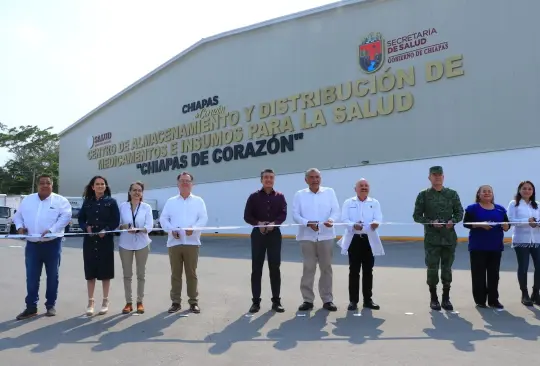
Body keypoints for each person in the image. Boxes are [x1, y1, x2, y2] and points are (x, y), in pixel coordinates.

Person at [13, 174, 72, 320]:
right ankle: (31, 307)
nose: (45, 185)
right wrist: (20, 227)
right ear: (37, 185)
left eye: (48, 183)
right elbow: (17, 216)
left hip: (52, 244)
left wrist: (52, 230)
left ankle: (50, 305)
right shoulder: (28, 200)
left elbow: (65, 217)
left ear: (52, 185)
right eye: (42, 183)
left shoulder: (60, 201)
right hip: (32, 245)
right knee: (32, 277)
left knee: (53, 276)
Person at [412, 166, 464, 311]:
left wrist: (453, 221)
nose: (437, 177)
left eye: (439, 175)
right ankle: (433, 298)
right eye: (434, 175)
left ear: (443, 177)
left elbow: (460, 212)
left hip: (449, 238)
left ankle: (446, 298)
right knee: (432, 268)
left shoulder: (452, 194)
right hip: (432, 239)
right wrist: (431, 222)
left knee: (447, 268)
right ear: (429, 177)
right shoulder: (423, 195)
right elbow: (416, 216)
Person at [292, 168, 340, 312]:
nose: (315, 180)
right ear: (306, 180)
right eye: (311, 177)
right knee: (309, 268)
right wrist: (307, 223)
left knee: (326, 268)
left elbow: (336, 210)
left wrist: (331, 220)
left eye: (317, 177)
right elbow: (295, 214)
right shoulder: (299, 195)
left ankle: (327, 300)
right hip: (306, 237)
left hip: (326, 236)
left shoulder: (329, 192)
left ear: (321, 178)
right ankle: (307, 300)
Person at [159, 172, 208, 314]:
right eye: (182, 181)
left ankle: (193, 302)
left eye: (187, 181)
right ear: (178, 184)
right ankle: (175, 302)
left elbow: (203, 218)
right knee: (176, 274)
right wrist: (170, 229)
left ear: (192, 184)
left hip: (192, 243)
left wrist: (194, 229)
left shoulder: (199, 201)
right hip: (174, 243)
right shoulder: (171, 201)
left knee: (191, 274)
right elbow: (164, 219)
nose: (185, 183)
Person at [243, 168, 287, 313]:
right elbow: (247, 216)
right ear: (261, 180)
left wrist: (274, 223)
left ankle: (276, 301)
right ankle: (255, 302)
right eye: (266, 177)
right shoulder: (253, 197)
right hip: (258, 235)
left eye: (271, 177)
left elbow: (283, 214)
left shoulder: (280, 196)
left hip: (274, 235)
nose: (268, 180)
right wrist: (258, 224)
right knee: (257, 268)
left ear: (274, 180)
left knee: (275, 267)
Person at [338, 178, 384, 311]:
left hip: (369, 239)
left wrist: (376, 223)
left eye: (366, 186)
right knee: (354, 271)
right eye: (361, 186)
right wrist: (353, 225)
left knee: (368, 271)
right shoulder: (349, 202)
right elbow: (344, 219)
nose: (364, 188)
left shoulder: (374, 202)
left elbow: (379, 217)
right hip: (354, 239)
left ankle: (368, 300)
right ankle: (353, 301)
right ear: (355, 189)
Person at [78, 175, 120, 316]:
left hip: (105, 241)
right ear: (92, 187)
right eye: (98, 184)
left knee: (105, 272)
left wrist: (106, 230)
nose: (100, 186)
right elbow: (81, 219)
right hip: (90, 241)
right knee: (90, 273)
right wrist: (86, 228)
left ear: (106, 186)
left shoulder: (111, 202)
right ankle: (90, 302)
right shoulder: (87, 202)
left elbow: (116, 221)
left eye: (103, 184)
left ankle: (105, 301)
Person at [463, 185, 510, 309]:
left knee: (494, 275)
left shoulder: (500, 209)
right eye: (484, 191)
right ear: (479, 194)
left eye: (489, 191)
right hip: (478, 247)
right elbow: (466, 224)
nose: (487, 193)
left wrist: (506, 226)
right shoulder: (472, 208)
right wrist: (480, 225)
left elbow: (506, 224)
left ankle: (493, 299)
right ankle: (480, 300)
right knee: (478, 274)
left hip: (495, 246)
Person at [117, 181, 154, 314]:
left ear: (142, 193)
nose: (137, 192)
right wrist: (125, 227)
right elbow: (117, 224)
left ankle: (139, 302)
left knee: (141, 274)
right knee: (127, 275)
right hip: (125, 244)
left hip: (142, 244)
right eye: (134, 190)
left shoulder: (146, 207)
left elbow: (150, 226)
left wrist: (138, 230)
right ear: (129, 192)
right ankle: (128, 302)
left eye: (139, 190)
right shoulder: (122, 206)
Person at [507, 180, 540, 306]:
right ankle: (524, 294)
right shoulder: (514, 204)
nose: (527, 191)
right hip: (521, 240)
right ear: (519, 190)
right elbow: (511, 221)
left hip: (537, 240)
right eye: (524, 188)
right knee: (524, 267)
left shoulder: (537, 204)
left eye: (530, 189)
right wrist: (527, 221)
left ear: (533, 191)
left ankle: (536, 293)